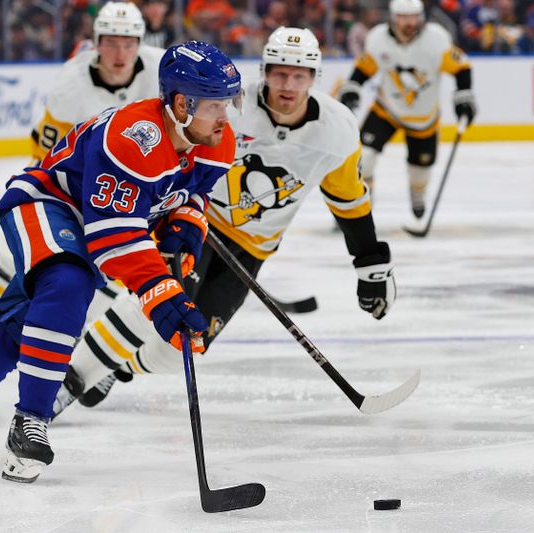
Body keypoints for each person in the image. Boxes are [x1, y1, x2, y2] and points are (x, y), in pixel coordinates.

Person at [0, 41, 244, 484]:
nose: (225, 117)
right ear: (182, 104)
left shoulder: (216, 138)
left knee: (2, 341)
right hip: (47, 207)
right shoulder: (133, 139)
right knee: (69, 281)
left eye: (227, 104)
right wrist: (162, 297)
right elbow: (113, 238)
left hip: (91, 227)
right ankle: (30, 421)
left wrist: (184, 231)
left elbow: (193, 195)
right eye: (216, 106)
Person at [48, 27, 398, 417]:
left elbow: (349, 200)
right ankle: (68, 383)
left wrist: (371, 266)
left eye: (300, 76)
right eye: (280, 73)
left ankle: (115, 365)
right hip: (196, 224)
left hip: (253, 246)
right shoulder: (227, 104)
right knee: (151, 306)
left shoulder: (337, 130)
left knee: (186, 344)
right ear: (264, 70)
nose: (288, 84)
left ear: (314, 78)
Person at [0, 1, 165, 362]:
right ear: (97, 42)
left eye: (128, 43)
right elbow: (49, 160)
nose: (120, 53)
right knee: (11, 252)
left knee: (110, 269)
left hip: (132, 194)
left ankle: (72, 340)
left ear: (140, 44)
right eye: (112, 43)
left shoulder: (162, 70)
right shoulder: (71, 87)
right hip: (71, 189)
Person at [337, 0, 476, 219]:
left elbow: (461, 67)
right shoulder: (378, 38)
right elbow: (365, 67)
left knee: (419, 172)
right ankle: (361, 203)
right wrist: (352, 87)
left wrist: (464, 96)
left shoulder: (437, 39)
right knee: (365, 158)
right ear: (393, 17)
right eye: (403, 16)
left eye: (414, 16)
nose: (409, 22)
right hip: (386, 109)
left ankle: (417, 194)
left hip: (424, 117)